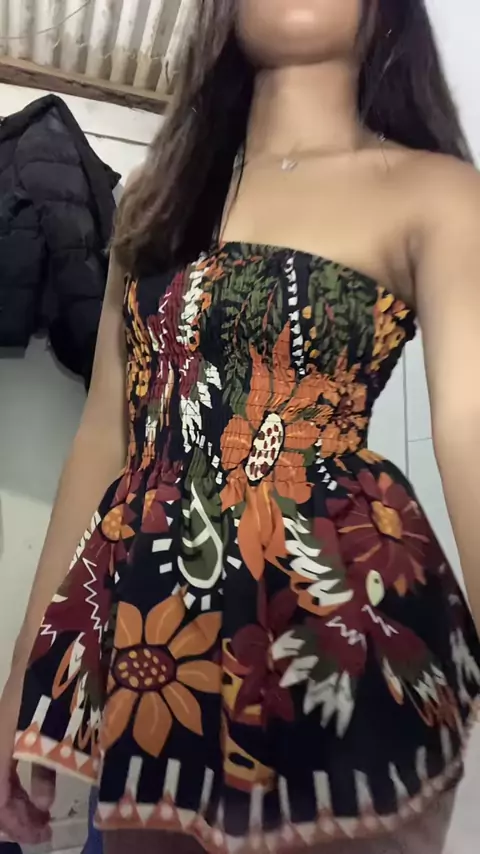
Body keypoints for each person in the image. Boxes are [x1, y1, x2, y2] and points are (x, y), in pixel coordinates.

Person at [1, 1, 480, 852]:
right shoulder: (152, 208)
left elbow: (473, 426)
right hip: (154, 645)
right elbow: (105, 441)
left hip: (342, 645)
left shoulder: (435, 191)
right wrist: (21, 685)